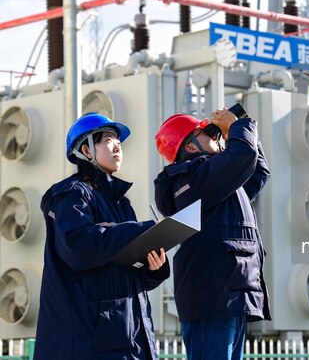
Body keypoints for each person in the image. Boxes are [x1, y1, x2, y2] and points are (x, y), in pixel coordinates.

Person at [34, 113, 169, 360]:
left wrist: (152, 269)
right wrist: (138, 230)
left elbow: (128, 271)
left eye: (118, 140)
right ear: (86, 150)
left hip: (130, 339)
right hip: (88, 344)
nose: (117, 145)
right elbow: (79, 248)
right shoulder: (71, 195)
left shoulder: (122, 205)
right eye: (108, 140)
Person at [153, 107, 271, 360]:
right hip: (212, 297)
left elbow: (257, 172)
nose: (215, 135)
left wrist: (236, 132)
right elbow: (243, 155)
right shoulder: (192, 178)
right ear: (191, 147)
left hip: (230, 293)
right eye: (206, 132)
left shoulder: (217, 180)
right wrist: (238, 128)